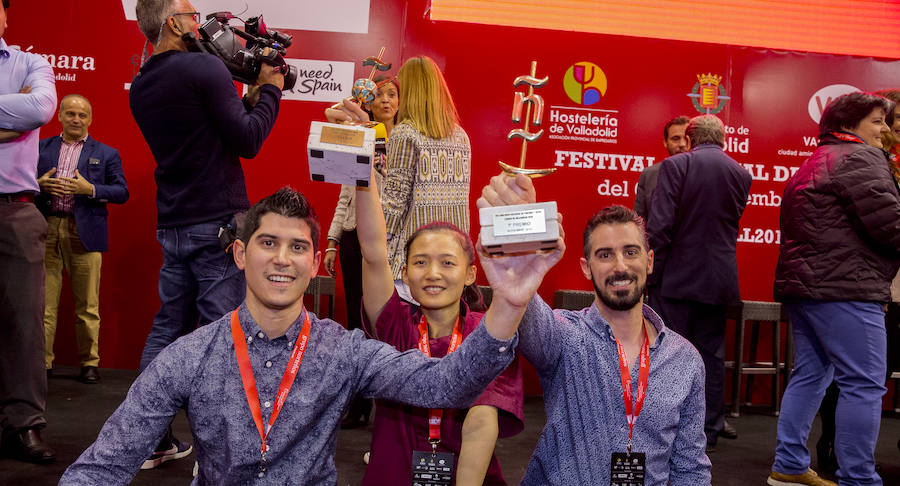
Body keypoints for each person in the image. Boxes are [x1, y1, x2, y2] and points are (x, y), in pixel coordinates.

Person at [59, 186, 561, 485]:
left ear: (315, 262)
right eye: (268, 243)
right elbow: (104, 465)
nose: (282, 258)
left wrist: (510, 304)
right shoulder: (188, 356)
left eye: (297, 246)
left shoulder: (342, 350)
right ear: (239, 254)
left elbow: (445, 385)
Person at [478, 175, 711, 485]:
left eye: (631, 252)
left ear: (649, 261)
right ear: (586, 267)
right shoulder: (565, 336)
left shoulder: (685, 360)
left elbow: (690, 468)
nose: (620, 266)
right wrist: (518, 226)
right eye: (605, 255)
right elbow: (523, 305)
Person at [130, 0, 284, 467]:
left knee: (167, 332)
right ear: (173, 23)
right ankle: (220, 449)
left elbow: (215, 126)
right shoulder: (203, 68)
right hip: (216, 222)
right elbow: (248, 140)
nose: (201, 22)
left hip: (173, 223)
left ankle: (151, 438)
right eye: (192, 14)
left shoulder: (142, 84)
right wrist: (272, 90)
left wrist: (247, 96)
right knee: (226, 335)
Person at [355, 164, 525, 484]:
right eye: (420, 262)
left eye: (447, 262)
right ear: (404, 274)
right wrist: (360, 167)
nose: (433, 273)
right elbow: (373, 253)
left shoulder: (486, 332)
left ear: (470, 273)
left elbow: (482, 419)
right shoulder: (395, 327)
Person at [768, 91, 900, 486]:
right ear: (848, 125)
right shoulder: (860, 159)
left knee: (811, 374)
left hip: (809, 289)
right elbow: (891, 227)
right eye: (877, 121)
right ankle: (859, 480)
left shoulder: (817, 160)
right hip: (847, 289)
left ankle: (788, 467)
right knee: (863, 384)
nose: (886, 131)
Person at [646, 114, 752, 451]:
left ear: (689, 139)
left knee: (668, 353)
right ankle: (708, 430)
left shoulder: (676, 166)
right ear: (723, 139)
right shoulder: (741, 173)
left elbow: (660, 226)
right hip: (719, 280)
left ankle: (667, 425)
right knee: (711, 356)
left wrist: (653, 272)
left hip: (675, 278)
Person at [0, 0, 58, 464]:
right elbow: (21, 111)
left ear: (4, 14)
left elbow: (39, 107)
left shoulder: (30, 63)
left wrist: (22, 113)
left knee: (24, 324)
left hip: (16, 213)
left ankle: (22, 425)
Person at [37, 94, 129, 384]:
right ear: (60, 116)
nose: (76, 119)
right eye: (71, 114)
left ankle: (90, 363)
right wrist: (37, 185)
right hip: (46, 228)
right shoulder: (41, 149)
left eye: (82, 115)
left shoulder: (107, 153)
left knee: (88, 305)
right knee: (43, 305)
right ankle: (43, 364)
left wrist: (90, 189)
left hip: (85, 232)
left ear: (90, 119)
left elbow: (122, 192)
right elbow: (19, 180)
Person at [322, 76, 398, 428]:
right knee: (354, 320)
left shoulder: (404, 142)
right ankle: (358, 402)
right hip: (352, 237)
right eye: (378, 93)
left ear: (400, 102)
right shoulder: (360, 133)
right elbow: (345, 192)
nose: (384, 99)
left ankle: (386, 403)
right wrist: (333, 240)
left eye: (391, 94)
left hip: (386, 242)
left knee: (382, 323)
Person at [382, 56, 471, 302]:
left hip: (413, 260)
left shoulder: (405, 132)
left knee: (404, 337)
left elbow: (393, 203)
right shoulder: (460, 135)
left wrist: (374, 243)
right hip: (453, 258)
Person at [633, 115, 690, 222]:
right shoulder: (649, 175)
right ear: (665, 142)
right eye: (675, 139)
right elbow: (639, 222)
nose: (682, 144)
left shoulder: (706, 174)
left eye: (687, 139)